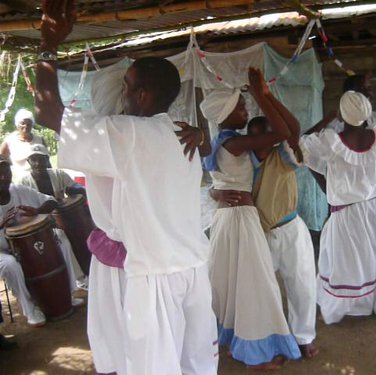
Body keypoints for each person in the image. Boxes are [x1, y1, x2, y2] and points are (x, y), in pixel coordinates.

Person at [35, 1, 218, 374]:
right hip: (193, 268)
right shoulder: (181, 132)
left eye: (127, 86)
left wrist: (48, 44)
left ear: (142, 96)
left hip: (153, 275)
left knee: (153, 366)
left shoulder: (131, 134)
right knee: (196, 363)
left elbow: (46, 112)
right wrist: (203, 137)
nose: (124, 93)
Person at [201, 69, 301, 370]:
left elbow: (292, 132)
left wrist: (264, 96)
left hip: (230, 219)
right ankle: (255, 353)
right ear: (225, 113)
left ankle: (237, 343)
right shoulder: (233, 144)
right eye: (241, 107)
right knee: (254, 283)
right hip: (239, 219)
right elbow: (285, 133)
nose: (247, 111)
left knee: (232, 283)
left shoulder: (228, 143)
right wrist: (262, 95)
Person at [211, 115, 319, 359]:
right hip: (259, 234)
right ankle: (260, 338)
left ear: (274, 139)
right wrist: (216, 192)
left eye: (266, 137)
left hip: (290, 228)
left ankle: (303, 337)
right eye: (256, 137)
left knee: (302, 286)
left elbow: (296, 136)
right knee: (257, 290)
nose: (261, 144)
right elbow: (221, 181)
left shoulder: (283, 157)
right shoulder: (244, 163)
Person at [300, 90, 376, 324]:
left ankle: (341, 307)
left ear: (341, 114)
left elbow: (303, 142)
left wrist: (328, 118)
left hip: (348, 213)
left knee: (348, 263)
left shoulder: (329, 140)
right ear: (368, 112)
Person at [0, 156, 82, 327]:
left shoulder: (19, 190)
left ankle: (70, 292)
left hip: (27, 243)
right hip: (3, 250)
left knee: (60, 236)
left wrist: (36, 210)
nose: (3, 177)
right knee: (10, 265)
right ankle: (30, 309)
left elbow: (50, 201)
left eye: (6, 171)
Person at [307, 71, 376, 193]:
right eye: (364, 89)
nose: (369, 93)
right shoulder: (333, 131)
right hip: (348, 201)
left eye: (369, 88)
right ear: (350, 95)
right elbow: (307, 152)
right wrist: (328, 190)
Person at [20, 144, 85, 200]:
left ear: (47, 160)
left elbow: (75, 187)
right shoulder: (24, 183)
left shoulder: (59, 174)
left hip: (62, 211)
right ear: (28, 161)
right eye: (33, 160)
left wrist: (77, 191)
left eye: (42, 159)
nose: (38, 163)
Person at [0, 109, 48, 181]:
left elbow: (47, 161)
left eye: (29, 123)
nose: (26, 126)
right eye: (22, 123)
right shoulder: (9, 141)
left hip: (41, 180)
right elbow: (2, 163)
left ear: (32, 125)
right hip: (21, 182)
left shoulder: (40, 140)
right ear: (17, 124)